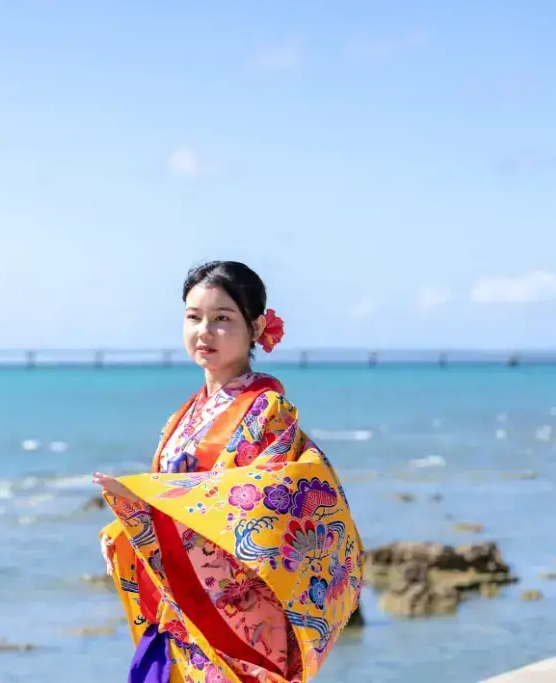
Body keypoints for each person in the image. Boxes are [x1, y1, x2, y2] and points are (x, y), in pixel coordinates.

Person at [93, 261, 363, 683]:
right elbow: (185, 497)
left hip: (237, 619)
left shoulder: (268, 412)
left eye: (222, 319)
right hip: (181, 609)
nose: (205, 331)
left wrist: (144, 506)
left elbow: (265, 513)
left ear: (255, 328)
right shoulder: (182, 417)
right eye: (193, 317)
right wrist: (132, 520)